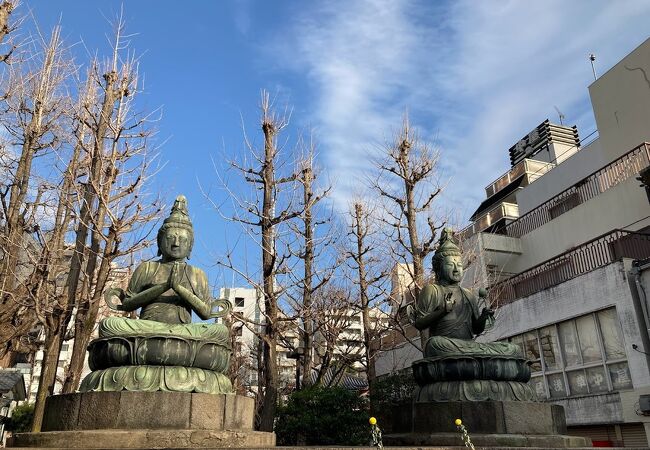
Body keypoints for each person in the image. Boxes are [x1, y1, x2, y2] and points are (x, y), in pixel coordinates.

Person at [101, 195, 230, 341]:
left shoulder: (197, 274)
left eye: (182, 240)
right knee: (110, 324)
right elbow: (127, 304)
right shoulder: (147, 268)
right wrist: (164, 286)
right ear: (159, 242)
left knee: (220, 331)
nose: (176, 243)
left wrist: (178, 288)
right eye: (170, 238)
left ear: (190, 246)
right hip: (147, 327)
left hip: (182, 330)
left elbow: (206, 313)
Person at [411, 228, 520, 358]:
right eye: (451, 264)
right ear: (438, 268)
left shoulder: (468, 294)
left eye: (459, 265)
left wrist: (484, 317)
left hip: (468, 345)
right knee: (434, 344)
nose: (457, 269)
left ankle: (475, 356)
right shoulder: (432, 290)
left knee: (512, 349)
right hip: (445, 345)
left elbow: (476, 329)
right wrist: (442, 311)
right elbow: (419, 323)